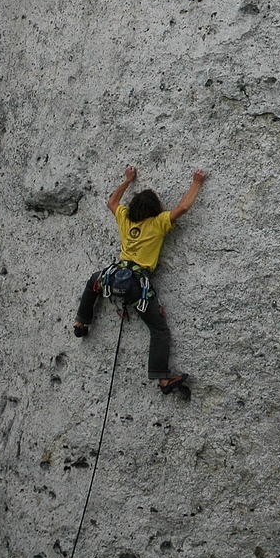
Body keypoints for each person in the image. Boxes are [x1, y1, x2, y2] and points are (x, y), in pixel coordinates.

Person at [74, 165, 206, 394]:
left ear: (134, 207)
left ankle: (81, 322)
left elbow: (112, 203)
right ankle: (162, 378)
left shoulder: (125, 218)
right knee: (159, 330)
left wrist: (127, 180)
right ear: (155, 209)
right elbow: (184, 207)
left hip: (113, 276)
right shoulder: (158, 223)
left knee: (92, 282)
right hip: (136, 285)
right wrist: (196, 182)